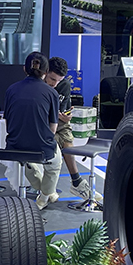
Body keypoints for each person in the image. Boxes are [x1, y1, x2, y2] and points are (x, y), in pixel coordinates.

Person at [4, 51, 62, 210]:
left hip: (14, 145)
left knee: (26, 159)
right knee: (55, 163)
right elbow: (52, 129)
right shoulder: (52, 93)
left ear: (24, 69)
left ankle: (44, 192)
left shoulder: (11, 89)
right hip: (41, 147)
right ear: (46, 72)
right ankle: (45, 195)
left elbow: (8, 122)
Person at [45, 57, 88, 197]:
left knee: (67, 140)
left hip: (59, 122)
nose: (55, 84)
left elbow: (64, 108)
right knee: (53, 145)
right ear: (46, 72)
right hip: (42, 123)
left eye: (59, 80)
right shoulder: (37, 85)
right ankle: (46, 186)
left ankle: (76, 180)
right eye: (52, 79)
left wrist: (66, 116)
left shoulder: (65, 85)